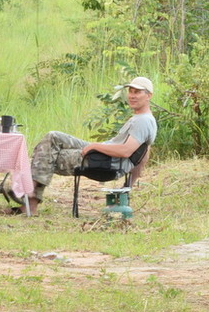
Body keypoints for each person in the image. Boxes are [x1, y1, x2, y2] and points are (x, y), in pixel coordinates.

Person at [23, 77, 157, 215]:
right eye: (131, 91)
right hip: (103, 153)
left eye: (137, 92)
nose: (132, 96)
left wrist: (95, 146)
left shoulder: (143, 121)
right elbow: (144, 154)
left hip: (105, 161)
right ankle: (29, 193)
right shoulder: (144, 118)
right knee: (53, 137)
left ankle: (29, 198)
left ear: (149, 96)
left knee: (46, 156)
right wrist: (129, 185)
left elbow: (126, 151)